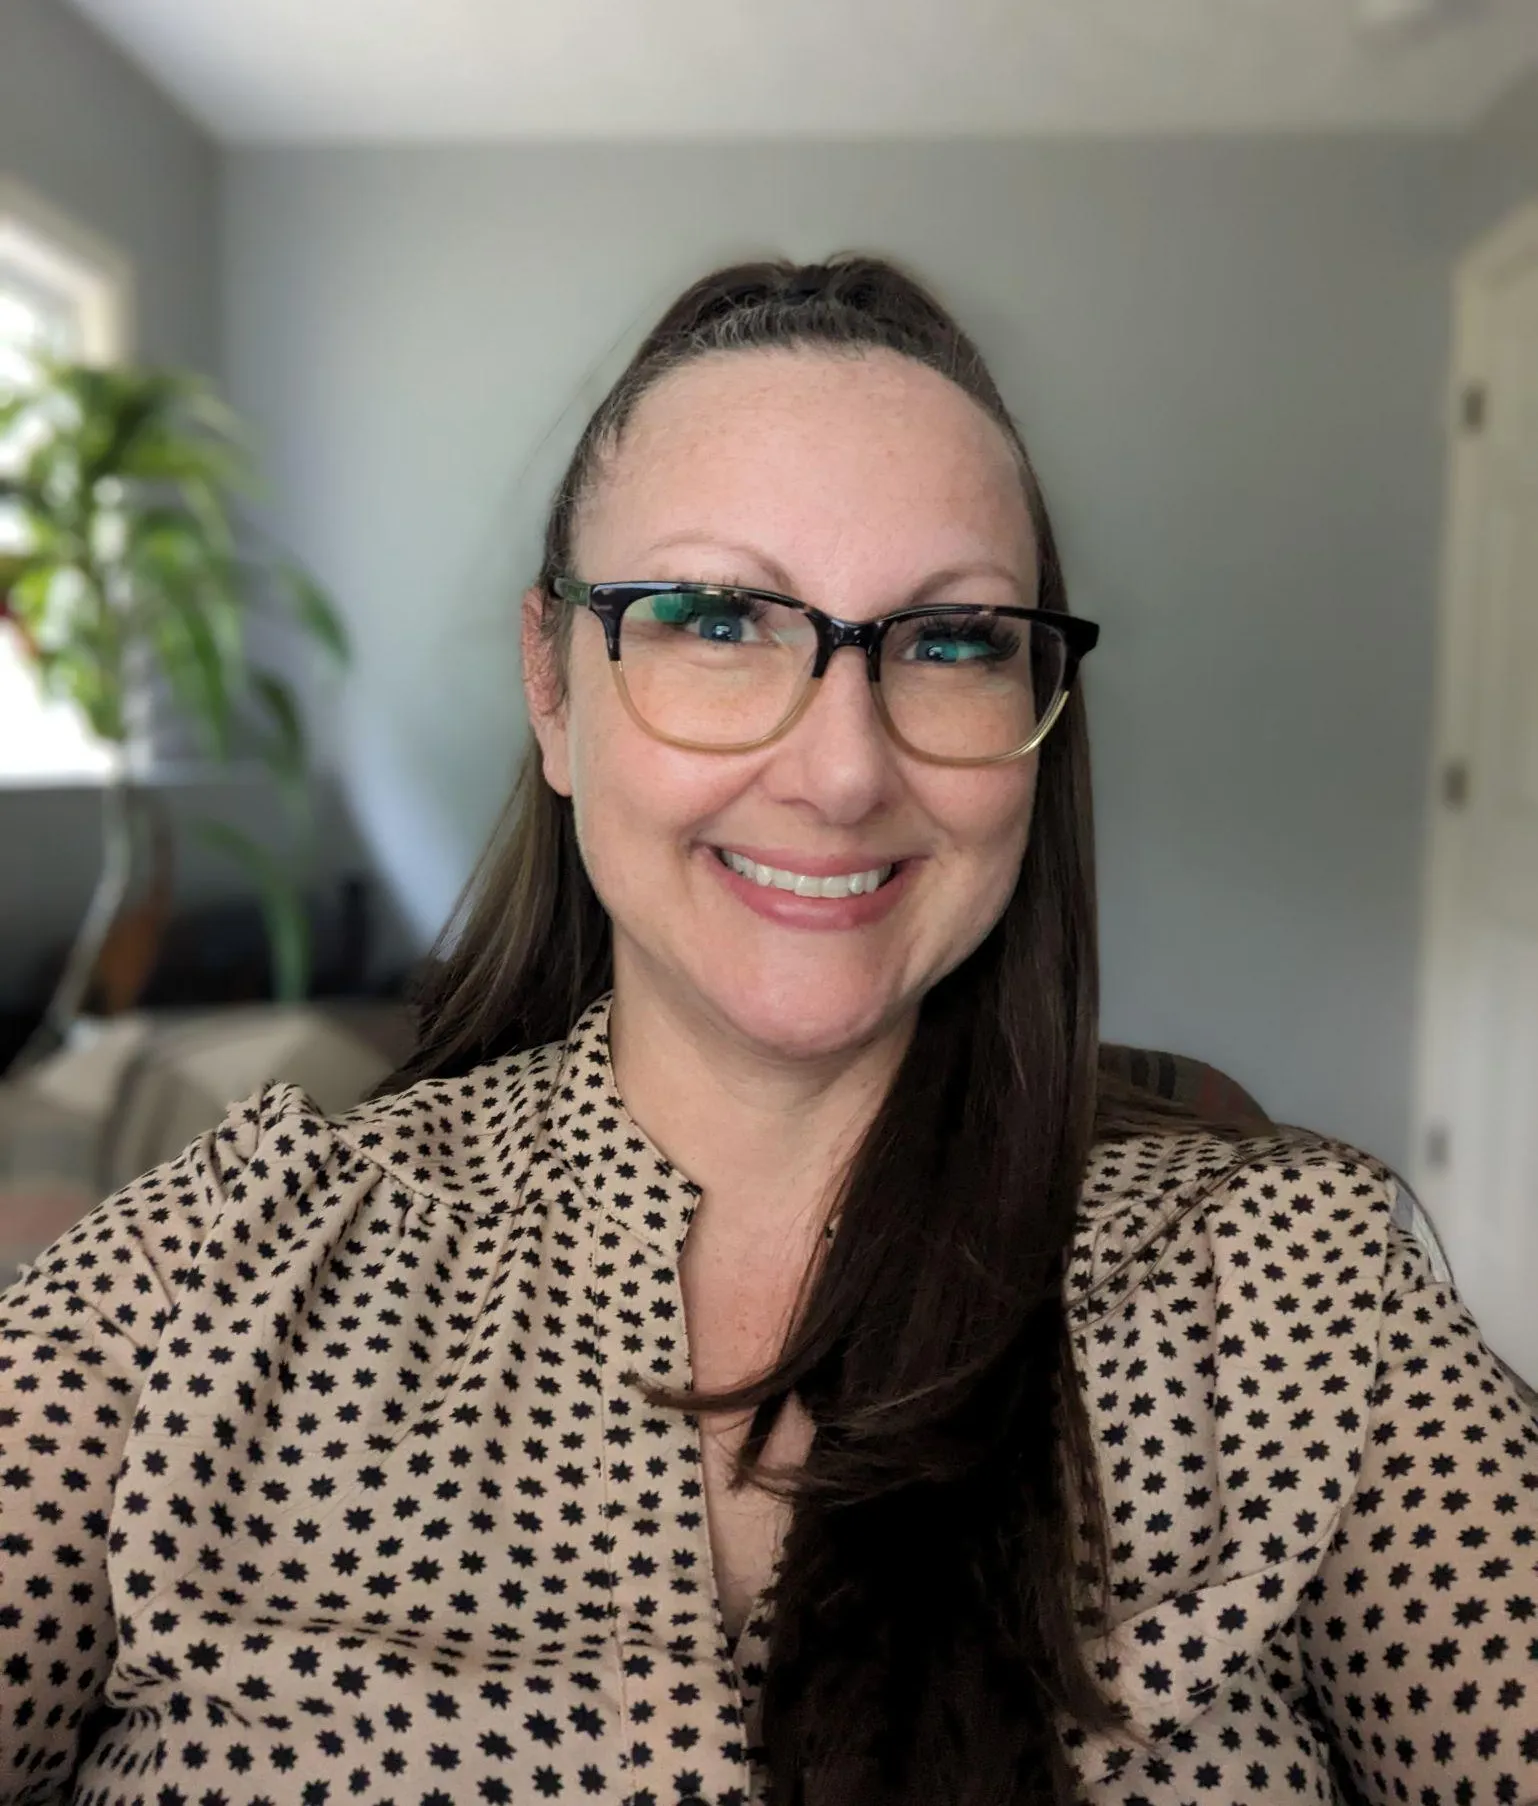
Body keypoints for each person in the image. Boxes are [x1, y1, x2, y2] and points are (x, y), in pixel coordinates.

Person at [1, 256, 1534, 1806]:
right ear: (551, 686)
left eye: (951, 640)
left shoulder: (1289, 1288)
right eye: (716, 619)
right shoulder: (209, 1273)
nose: (842, 771)